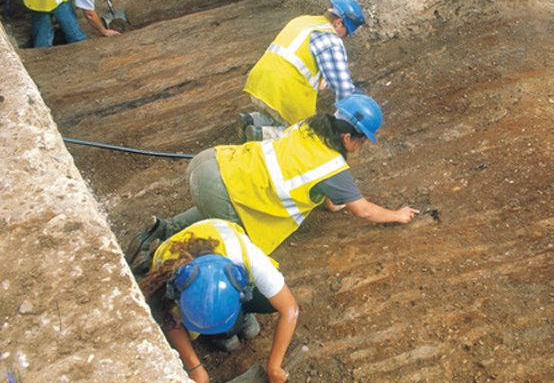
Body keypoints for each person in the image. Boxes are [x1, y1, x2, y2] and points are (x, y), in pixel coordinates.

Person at [127, 93, 418, 267]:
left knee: (224, 204)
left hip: (211, 162)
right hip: (219, 188)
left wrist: (330, 203)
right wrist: (397, 215)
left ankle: (159, 230)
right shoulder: (333, 167)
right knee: (234, 237)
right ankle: (162, 259)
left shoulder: (311, 126)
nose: (362, 146)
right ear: (346, 137)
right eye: (363, 140)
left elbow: (312, 178)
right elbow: (364, 210)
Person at [136, 218, 299, 383]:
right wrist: (193, 365)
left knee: (269, 302)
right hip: (192, 274)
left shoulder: (248, 258)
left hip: (226, 252)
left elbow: (289, 309)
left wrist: (274, 366)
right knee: (228, 333)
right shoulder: (168, 274)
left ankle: (239, 318)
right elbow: (170, 319)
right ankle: (223, 330)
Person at [239, 0, 366, 142]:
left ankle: (253, 120)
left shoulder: (302, 21)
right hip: (281, 93)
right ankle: (261, 135)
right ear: (338, 23)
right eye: (345, 33)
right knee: (310, 133)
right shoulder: (330, 39)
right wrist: (352, 116)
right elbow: (343, 89)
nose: (344, 38)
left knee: (282, 114)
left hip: (258, 87)